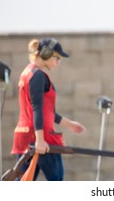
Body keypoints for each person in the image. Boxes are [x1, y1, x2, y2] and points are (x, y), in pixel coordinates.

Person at [11, 37, 86, 181]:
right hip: (42, 138)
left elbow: (46, 112)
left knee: (23, 182)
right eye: (57, 58)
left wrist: (69, 124)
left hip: (24, 136)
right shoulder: (38, 75)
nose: (58, 62)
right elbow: (37, 108)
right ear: (46, 53)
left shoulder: (27, 73)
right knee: (56, 181)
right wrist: (40, 140)